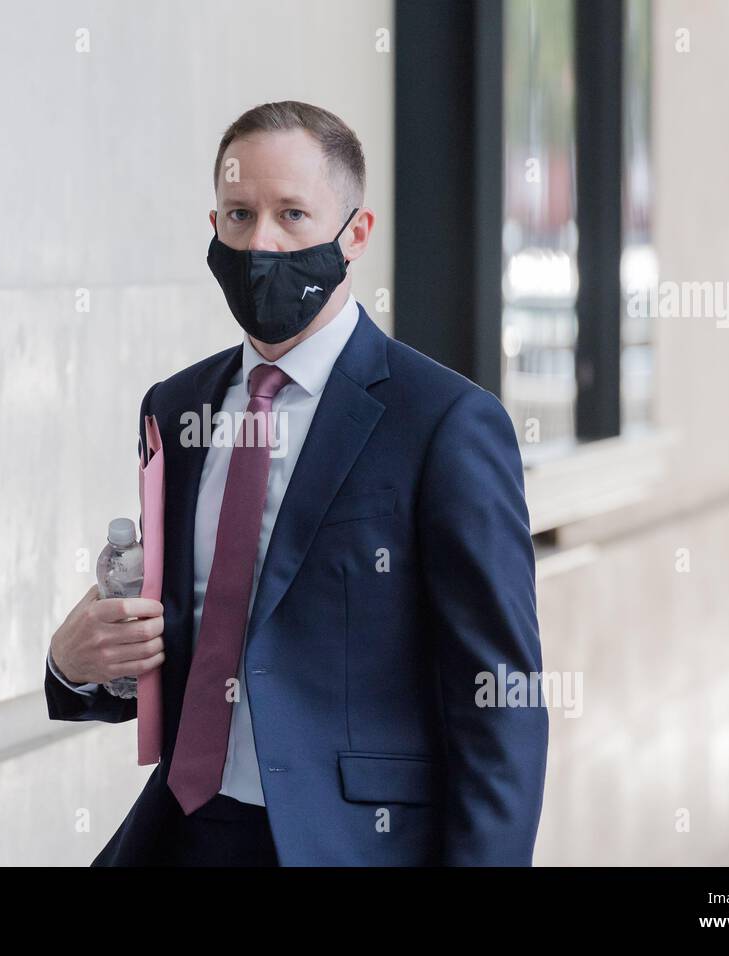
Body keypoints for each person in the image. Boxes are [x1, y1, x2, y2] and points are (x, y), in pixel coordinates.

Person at [46, 100, 547, 866]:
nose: (262, 243)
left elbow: (500, 699)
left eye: (293, 215)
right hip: (185, 833)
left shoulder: (445, 423)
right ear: (212, 225)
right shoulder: (175, 408)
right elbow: (194, 638)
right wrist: (76, 668)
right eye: (240, 215)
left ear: (356, 233)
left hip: (351, 844)